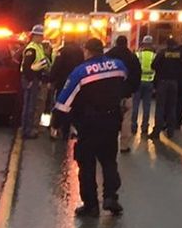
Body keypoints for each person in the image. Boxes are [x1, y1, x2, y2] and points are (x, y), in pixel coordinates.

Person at [53, 38, 127, 217]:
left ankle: (91, 205)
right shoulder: (118, 66)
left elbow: (64, 102)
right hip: (111, 121)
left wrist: (56, 123)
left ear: (87, 51)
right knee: (109, 161)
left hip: (89, 124)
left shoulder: (80, 72)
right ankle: (111, 196)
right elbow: (126, 84)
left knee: (86, 164)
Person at [150, 35, 182, 139]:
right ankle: (171, 131)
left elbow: (154, 65)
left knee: (160, 107)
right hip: (174, 83)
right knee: (172, 107)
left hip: (163, 82)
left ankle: (157, 130)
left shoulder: (162, 53)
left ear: (166, 44)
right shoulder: (179, 54)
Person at [105, 35, 141, 153]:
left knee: (109, 118)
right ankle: (124, 146)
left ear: (116, 43)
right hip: (126, 93)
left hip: (110, 94)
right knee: (126, 119)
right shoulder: (132, 57)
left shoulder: (108, 56)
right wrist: (132, 90)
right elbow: (137, 74)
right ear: (126, 43)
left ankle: (108, 143)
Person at [48, 39, 84, 140]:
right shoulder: (80, 51)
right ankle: (67, 130)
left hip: (63, 82)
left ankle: (55, 128)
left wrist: (51, 79)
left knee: (60, 105)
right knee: (73, 106)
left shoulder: (62, 51)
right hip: (76, 83)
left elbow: (57, 66)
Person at [20, 25, 51, 139]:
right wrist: (31, 80)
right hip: (31, 80)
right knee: (29, 106)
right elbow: (27, 67)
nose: (42, 38)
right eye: (40, 36)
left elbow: (40, 63)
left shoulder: (38, 47)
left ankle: (28, 130)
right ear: (35, 36)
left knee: (32, 106)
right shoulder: (31, 49)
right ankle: (26, 131)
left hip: (35, 79)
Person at [132, 35, 157, 136]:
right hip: (150, 82)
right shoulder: (154, 56)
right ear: (151, 45)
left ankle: (133, 126)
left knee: (135, 106)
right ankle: (145, 127)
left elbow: (134, 69)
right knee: (147, 106)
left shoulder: (138, 55)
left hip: (138, 83)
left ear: (143, 44)